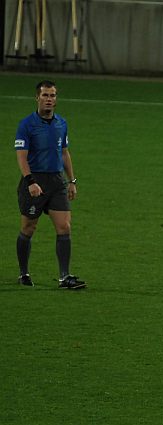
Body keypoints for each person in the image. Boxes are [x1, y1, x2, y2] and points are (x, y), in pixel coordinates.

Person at [14, 80, 85, 289]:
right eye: (45, 95)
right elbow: (21, 157)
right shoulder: (26, 125)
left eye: (52, 95)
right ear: (37, 98)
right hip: (35, 181)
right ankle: (23, 273)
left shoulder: (62, 123)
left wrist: (71, 181)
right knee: (28, 227)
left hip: (56, 181)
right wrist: (30, 181)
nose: (49, 99)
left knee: (64, 227)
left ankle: (64, 277)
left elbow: (64, 153)